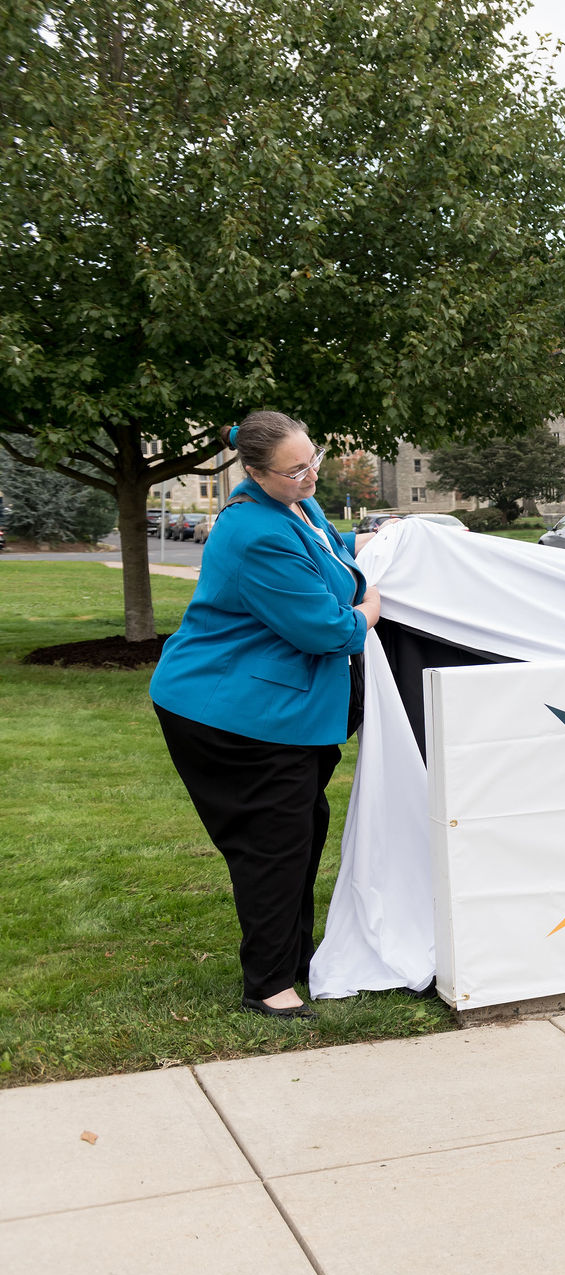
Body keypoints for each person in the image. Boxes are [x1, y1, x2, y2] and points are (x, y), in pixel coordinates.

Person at [150, 411, 380, 1017]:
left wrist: (385, 540)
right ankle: (269, 985)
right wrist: (370, 607)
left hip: (272, 707)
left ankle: (295, 960)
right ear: (253, 473)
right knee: (272, 845)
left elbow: (328, 552)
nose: (308, 476)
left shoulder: (294, 508)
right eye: (293, 471)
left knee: (301, 833)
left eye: (313, 461)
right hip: (231, 714)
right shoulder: (256, 530)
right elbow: (326, 629)